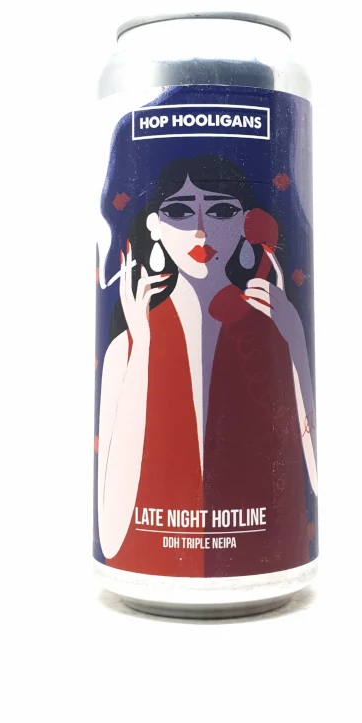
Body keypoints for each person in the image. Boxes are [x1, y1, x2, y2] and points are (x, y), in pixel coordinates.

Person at [97, 155, 318, 577]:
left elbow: (315, 483)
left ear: (247, 224)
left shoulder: (279, 330)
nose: (200, 230)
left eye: (221, 210)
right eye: (179, 211)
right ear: (154, 226)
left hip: (268, 557)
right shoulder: (126, 346)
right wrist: (142, 350)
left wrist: (294, 341)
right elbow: (111, 537)